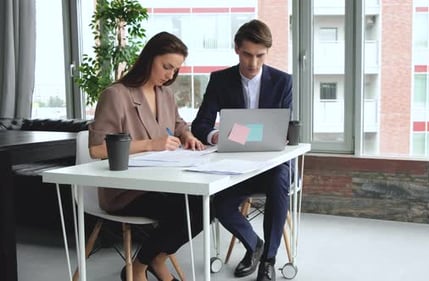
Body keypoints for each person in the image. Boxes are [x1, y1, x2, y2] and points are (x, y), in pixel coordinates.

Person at [88, 31, 206, 281]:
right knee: (182, 211)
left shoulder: (165, 94)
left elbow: (177, 123)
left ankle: (149, 261)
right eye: (166, 67)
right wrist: (151, 144)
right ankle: (145, 265)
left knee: (206, 205)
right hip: (125, 189)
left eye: (175, 70)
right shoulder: (116, 95)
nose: (170, 75)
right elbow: (97, 149)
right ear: (149, 58)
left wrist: (188, 136)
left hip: (162, 180)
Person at [191, 19, 292, 281]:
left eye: (260, 56)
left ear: (267, 52)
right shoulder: (220, 80)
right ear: (237, 49)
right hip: (234, 165)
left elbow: (285, 130)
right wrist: (217, 136)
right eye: (247, 54)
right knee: (221, 205)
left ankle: (268, 260)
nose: (253, 63)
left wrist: (242, 134)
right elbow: (200, 124)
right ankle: (254, 244)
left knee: (281, 179)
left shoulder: (283, 82)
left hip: (272, 164)